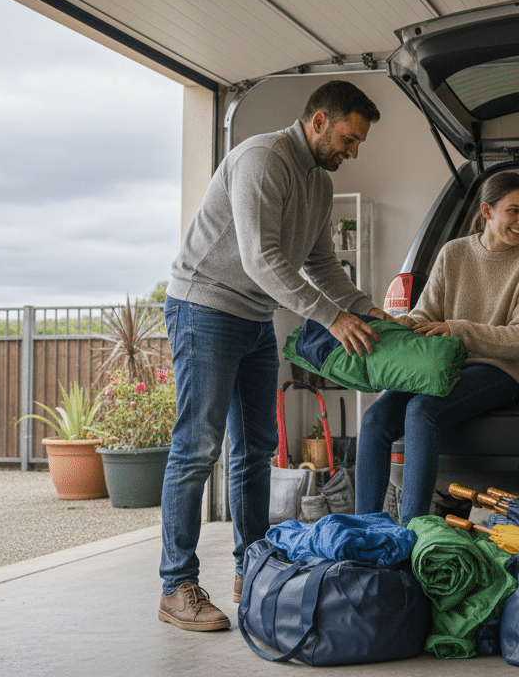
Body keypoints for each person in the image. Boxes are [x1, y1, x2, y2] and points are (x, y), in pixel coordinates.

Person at [158, 80, 394, 632]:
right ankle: (176, 587)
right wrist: (332, 318)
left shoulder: (317, 182)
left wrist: (367, 310)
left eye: (359, 142)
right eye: (348, 138)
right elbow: (260, 259)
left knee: (257, 449)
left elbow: (322, 263)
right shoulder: (263, 159)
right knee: (197, 448)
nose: (353, 151)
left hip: (254, 319)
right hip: (204, 308)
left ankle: (253, 568)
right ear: (318, 121)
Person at [355, 172, 519, 522]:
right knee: (374, 419)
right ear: (487, 211)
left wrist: (456, 329)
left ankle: (413, 530)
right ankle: (362, 530)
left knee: (421, 410)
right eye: (514, 211)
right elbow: (426, 314)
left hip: (503, 368)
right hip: (444, 364)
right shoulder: (454, 252)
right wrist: (398, 324)